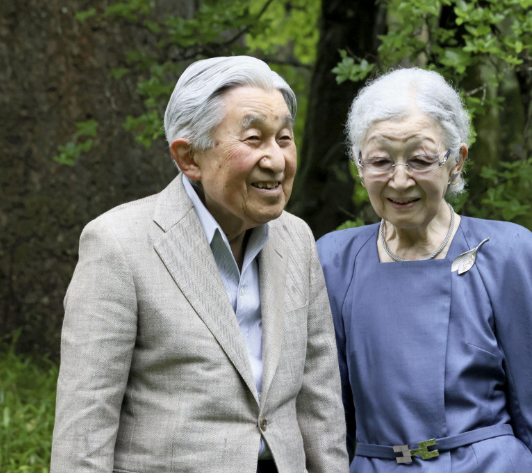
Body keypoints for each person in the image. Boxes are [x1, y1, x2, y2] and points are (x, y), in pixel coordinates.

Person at [51, 56, 349, 473]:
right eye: (253, 138)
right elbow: (85, 426)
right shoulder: (118, 243)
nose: (277, 160)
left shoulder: (296, 237)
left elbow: (320, 403)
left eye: (283, 137)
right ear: (189, 158)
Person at [317, 68, 532, 472]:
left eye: (420, 160)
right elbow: (327, 418)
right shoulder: (333, 259)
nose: (399, 181)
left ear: (456, 162)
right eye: (381, 161)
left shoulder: (507, 253)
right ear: (359, 163)